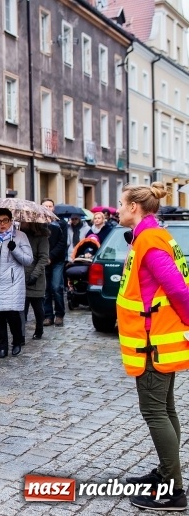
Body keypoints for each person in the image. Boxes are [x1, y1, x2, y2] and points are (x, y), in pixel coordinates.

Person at [116, 182, 189, 511]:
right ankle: (165, 473)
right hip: (155, 341)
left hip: (152, 344)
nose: (118, 209)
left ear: (134, 207)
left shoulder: (149, 240)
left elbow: (179, 290)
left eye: (121, 203)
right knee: (166, 409)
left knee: (155, 412)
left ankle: (173, 490)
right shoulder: (152, 236)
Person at [0, 208, 33, 358]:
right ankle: (2, 347)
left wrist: (15, 250)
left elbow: (28, 260)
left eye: (5, 221)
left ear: (11, 221)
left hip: (13, 283)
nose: (2, 224)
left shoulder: (20, 236)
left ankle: (17, 342)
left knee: (13, 315)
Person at [20, 222, 49, 341]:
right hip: (21, 277)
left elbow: (43, 258)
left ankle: (39, 329)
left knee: (38, 308)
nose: (22, 223)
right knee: (21, 309)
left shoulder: (42, 237)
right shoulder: (20, 235)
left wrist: (34, 275)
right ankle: (20, 335)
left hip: (36, 279)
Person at [41, 199, 68, 329]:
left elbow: (62, 243)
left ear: (53, 208)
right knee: (45, 290)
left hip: (57, 260)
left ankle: (59, 314)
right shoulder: (39, 223)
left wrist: (51, 256)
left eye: (50, 206)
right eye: (45, 206)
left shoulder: (61, 223)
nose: (48, 208)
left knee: (56, 287)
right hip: (43, 260)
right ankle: (48, 315)